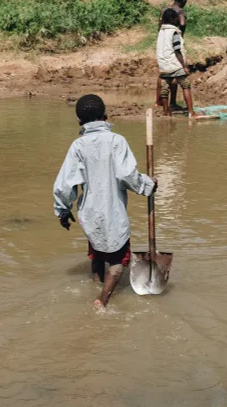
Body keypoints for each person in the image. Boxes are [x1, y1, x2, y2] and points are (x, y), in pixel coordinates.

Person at [53, 94, 156, 309]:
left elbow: (64, 184)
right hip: (113, 212)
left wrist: (63, 210)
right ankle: (102, 300)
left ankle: (96, 285)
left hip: (90, 213)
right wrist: (148, 184)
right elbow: (127, 176)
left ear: (79, 120)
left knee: (97, 254)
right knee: (118, 261)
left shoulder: (78, 146)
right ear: (104, 115)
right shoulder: (117, 141)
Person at [156, 8, 199, 118]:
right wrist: (184, 66)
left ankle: (166, 113)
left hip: (163, 65)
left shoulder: (161, 31)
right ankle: (191, 112)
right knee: (185, 85)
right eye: (176, 18)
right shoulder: (173, 32)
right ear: (173, 19)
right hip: (175, 64)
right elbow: (177, 50)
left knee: (164, 89)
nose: (178, 21)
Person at [155, 0, 189, 109]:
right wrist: (180, 35)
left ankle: (158, 101)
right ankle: (173, 103)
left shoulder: (164, 10)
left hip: (162, 41)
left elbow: (159, 24)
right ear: (184, 1)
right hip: (174, 42)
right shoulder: (180, 12)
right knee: (175, 72)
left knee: (163, 74)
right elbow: (183, 24)